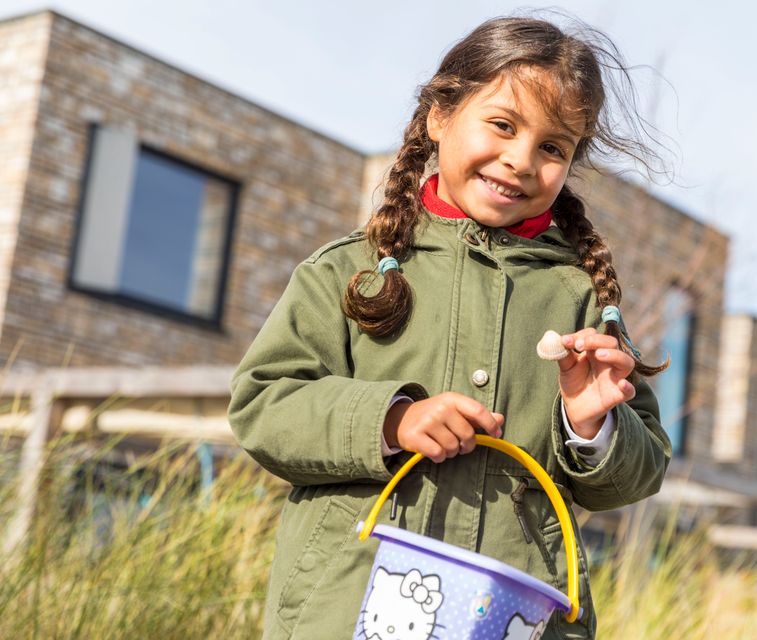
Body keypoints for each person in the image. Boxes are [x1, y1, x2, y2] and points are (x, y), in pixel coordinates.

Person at [228, 14, 672, 640]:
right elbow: (263, 402)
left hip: (516, 616)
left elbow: (642, 467)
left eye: (553, 147)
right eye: (501, 125)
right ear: (440, 114)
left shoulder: (581, 300)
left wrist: (591, 425)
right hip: (343, 606)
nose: (520, 160)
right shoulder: (349, 270)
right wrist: (392, 419)